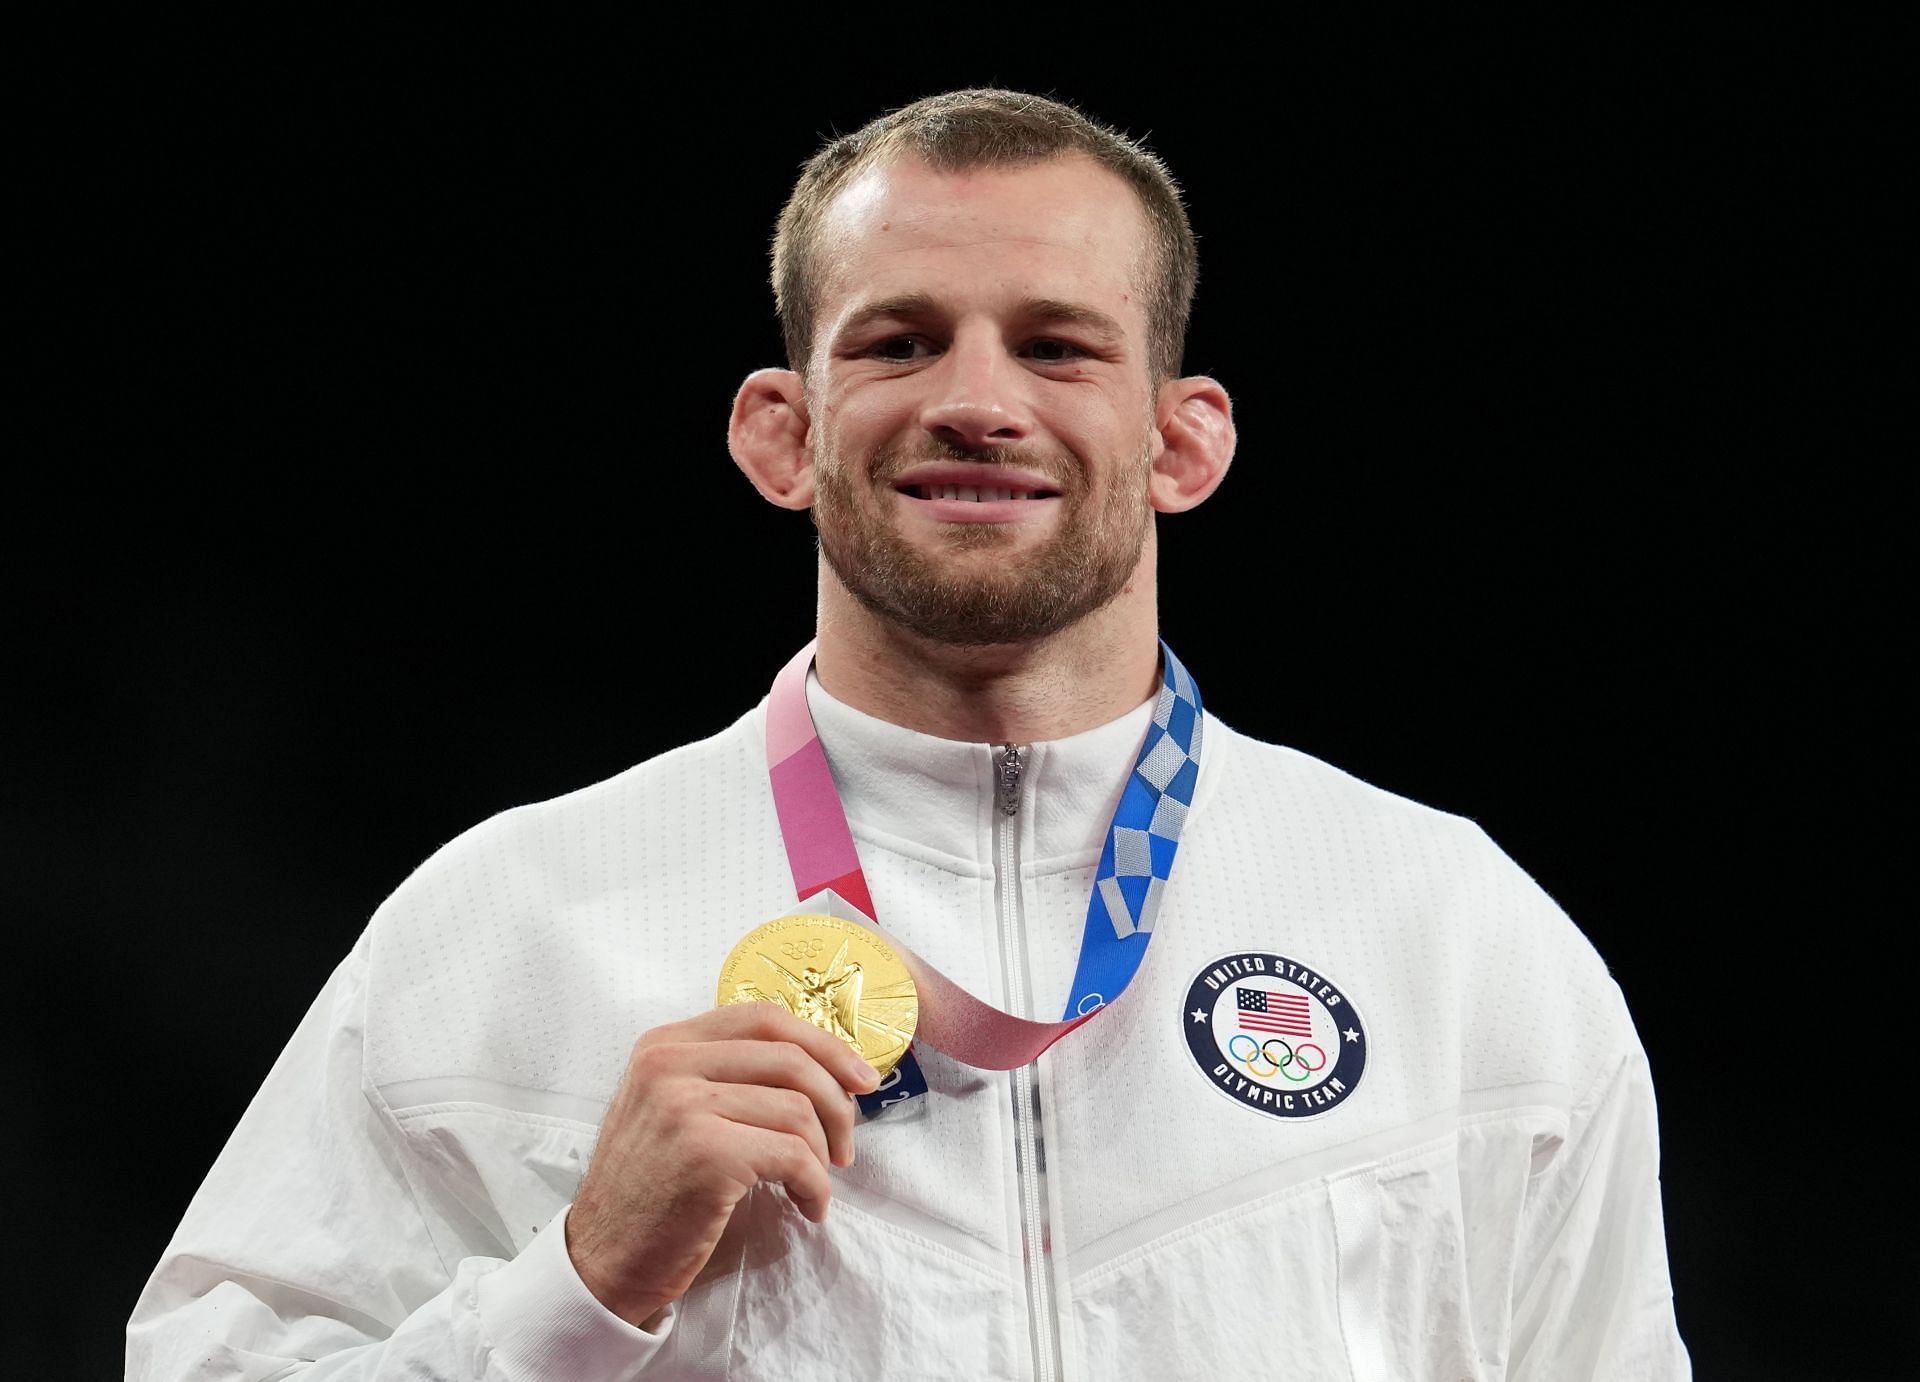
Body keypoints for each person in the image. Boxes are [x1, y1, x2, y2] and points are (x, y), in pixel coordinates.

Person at [128, 89, 1690, 1379]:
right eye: (898, 342)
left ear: (1181, 438)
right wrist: (582, 1279)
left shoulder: (1448, 927)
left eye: (1059, 346)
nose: (977, 400)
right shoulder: (513, 925)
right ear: (782, 434)